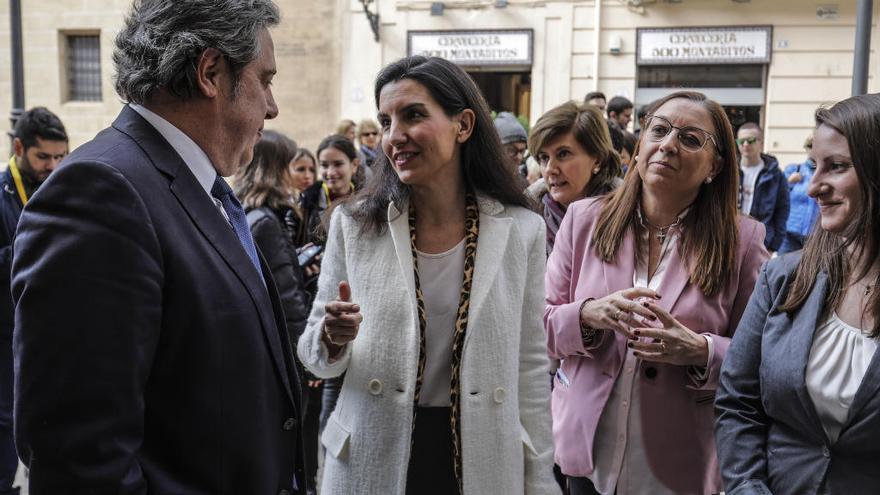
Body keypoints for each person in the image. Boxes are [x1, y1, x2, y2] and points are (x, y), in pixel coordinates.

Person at [10, 1, 307, 492]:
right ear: (211, 71)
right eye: (265, 79)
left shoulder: (194, 184)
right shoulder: (100, 192)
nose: (272, 107)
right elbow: (81, 460)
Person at [297, 55, 559, 495]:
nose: (394, 136)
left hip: (483, 454)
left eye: (413, 115)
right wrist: (332, 336)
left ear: (464, 125)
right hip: (372, 451)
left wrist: (540, 479)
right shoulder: (356, 224)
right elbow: (312, 354)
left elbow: (530, 365)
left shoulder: (521, 230)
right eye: (385, 121)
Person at [545, 90, 768, 495]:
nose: (668, 144)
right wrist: (587, 315)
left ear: (715, 165)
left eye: (689, 138)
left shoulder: (744, 241)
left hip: (679, 462)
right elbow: (536, 327)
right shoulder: (583, 220)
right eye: (659, 130)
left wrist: (701, 349)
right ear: (640, 142)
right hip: (585, 450)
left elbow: (762, 356)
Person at [716, 93, 880, 495]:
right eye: (814, 167)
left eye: (837, 167)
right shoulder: (784, 276)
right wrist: (748, 488)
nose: (813, 187)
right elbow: (738, 401)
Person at [0, 107, 68, 495]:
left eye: (61, 157)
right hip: (6, 336)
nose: (53, 166)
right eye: (44, 157)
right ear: (20, 147)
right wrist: (35, 244)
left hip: (48, 337)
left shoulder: (60, 186)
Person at [527, 101, 622, 255]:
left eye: (563, 154)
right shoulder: (526, 218)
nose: (551, 169)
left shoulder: (631, 216)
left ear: (597, 159)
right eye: (544, 157)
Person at [737, 122, 789, 252]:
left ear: (760, 142)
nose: (745, 145)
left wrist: (773, 245)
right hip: (729, 239)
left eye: (750, 140)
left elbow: (782, 210)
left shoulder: (775, 175)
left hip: (760, 243)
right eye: (741, 141)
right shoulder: (728, 171)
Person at [779, 136, 819, 254]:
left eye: (817, 146)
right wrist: (789, 182)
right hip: (790, 232)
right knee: (783, 269)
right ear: (806, 148)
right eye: (810, 146)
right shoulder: (794, 169)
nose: (813, 150)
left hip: (815, 235)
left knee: (810, 271)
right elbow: (778, 195)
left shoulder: (825, 173)